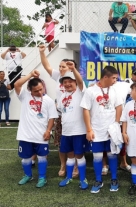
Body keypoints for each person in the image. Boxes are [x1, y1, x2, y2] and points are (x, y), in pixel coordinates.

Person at [80, 66, 123, 193]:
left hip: (111, 131)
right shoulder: (91, 91)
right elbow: (85, 110)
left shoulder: (114, 90)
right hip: (96, 130)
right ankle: (98, 180)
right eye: (114, 78)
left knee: (112, 155)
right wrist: (89, 130)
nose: (115, 80)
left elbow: (119, 107)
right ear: (105, 77)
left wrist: (116, 124)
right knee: (97, 156)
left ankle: (114, 179)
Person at [39, 45, 78, 178]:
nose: (61, 69)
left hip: (75, 116)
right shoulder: (57, 77)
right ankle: (63, 164)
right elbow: (46, 66)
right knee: (61, 142)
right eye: (60, 66)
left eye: (64, 67)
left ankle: (76, 166)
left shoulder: (76, 80)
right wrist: (42, 52)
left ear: (70, 68)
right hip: (61, 115)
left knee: (75, 143)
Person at [14, 70, 58, 188]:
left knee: (42, 157)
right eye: (36, 91)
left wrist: (48, 131)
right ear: (30, 90)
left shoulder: (48, 100)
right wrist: (30, 75)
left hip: (41, 135)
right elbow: (17, 85)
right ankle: (28, 175)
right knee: (25, 158)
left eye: (41, 89)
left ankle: (42, 177)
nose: (39, 92)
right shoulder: (24, 96)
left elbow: (52, 117)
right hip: (25, 134)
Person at [57, 62, 89, 190]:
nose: (67, 84)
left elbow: (81, 82)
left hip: (79, 131)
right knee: (70, 155)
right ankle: (68, 177)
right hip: (66, 132)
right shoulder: (62, 96)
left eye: (70, 81)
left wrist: (73, 69)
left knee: (79, 155)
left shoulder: (80, 93)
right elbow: (60, 111)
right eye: (65, 82)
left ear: (75, 82)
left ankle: (83, 178)